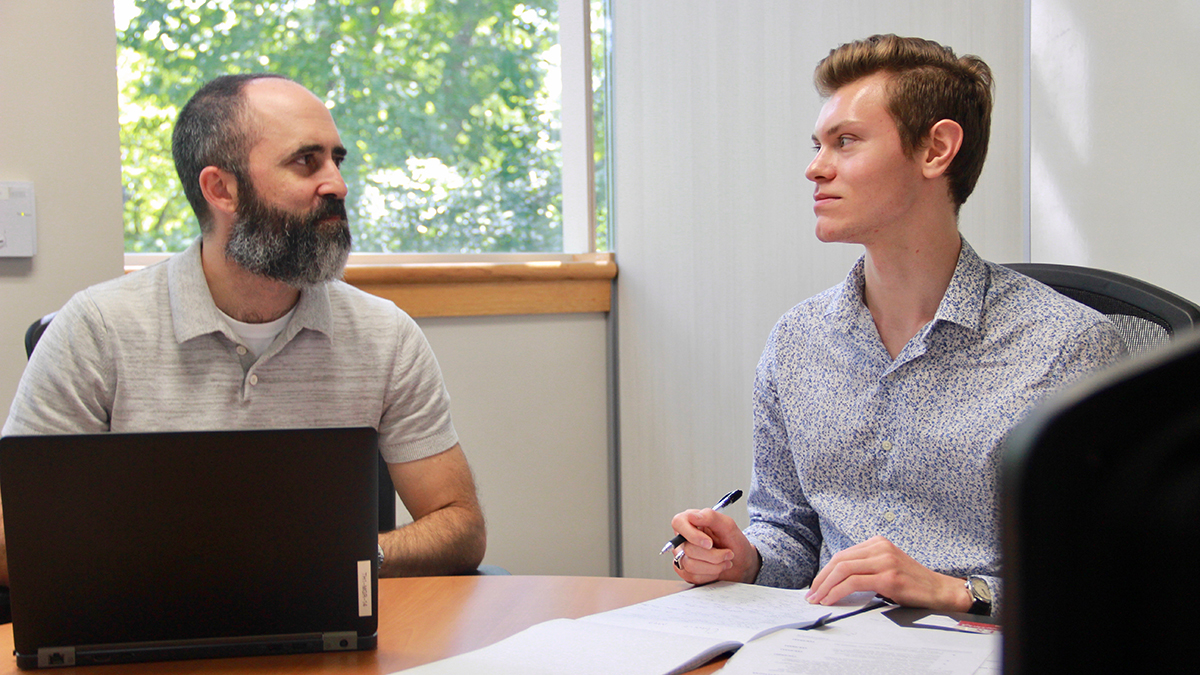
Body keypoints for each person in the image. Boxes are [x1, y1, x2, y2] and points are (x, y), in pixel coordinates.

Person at [666, 35, 1126, 615]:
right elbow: (791, 537)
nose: (815, 167)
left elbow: (1109, 570)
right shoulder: (796, 342)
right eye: (817, 145)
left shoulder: (1069, 347)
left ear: (937, 149)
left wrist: (957, 591)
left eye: (846, 141)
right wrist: (744, 559)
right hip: (827, 650)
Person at [0, 74, 486, 587]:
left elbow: (459, 526)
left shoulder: (384, 334)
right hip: (150, 638)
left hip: (326, 639)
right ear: (220, 189)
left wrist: (352, 557)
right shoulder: (94, 330)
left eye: (336, 160)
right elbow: (13, 542)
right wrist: (179, 573)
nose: (337, 185)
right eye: (306, 161)